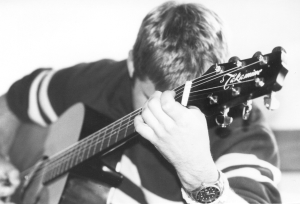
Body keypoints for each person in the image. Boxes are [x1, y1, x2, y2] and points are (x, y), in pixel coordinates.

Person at [0, 1, 282, 204]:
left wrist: (200, 176)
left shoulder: (243, 129)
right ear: (133, 64)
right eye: (150, 99)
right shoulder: (105, 80)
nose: (168, 116)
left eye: (190, 104)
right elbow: (16, 98)